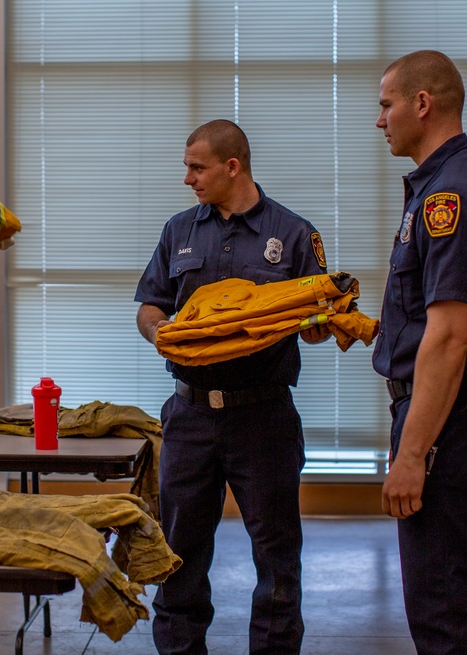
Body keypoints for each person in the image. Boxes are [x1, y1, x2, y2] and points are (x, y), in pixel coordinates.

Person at [135, 119, 330, 655]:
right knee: (178, 555)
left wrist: (316, 325)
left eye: (196, 168)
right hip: (190, 416)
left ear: (232, 166)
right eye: (187, 168)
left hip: (262, 418)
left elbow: (314, 325)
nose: (188, 179)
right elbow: (151, 305)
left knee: (276, 558)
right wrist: (161, 333)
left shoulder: (292, 234)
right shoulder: (179, 231)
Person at [372, 50, 467, 654]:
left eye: (386, 105)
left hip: (444, 428)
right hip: (445, 422)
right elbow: (428, 319)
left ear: (422, 104)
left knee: (445, 615)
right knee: (444, 605)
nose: (379, 120)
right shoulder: (442, 186)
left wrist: (412, 456)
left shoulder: (450, 197)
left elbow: (452, 338)